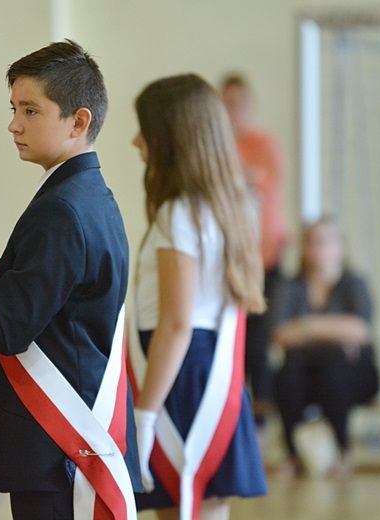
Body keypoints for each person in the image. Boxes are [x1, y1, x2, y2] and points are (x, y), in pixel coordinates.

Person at [0, 40, 143, 519]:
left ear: (78, 121)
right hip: (62, 443)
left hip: (60, 443)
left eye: (31, 110)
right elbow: (53, 321)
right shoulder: (84, 194)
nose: (13, 124)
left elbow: (11, 324)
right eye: (13, 108)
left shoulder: (62, 209)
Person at [131, 74, 267, 519]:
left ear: (170, 138)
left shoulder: (178, 213)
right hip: (206, 369)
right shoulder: (225, 206)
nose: (135, 140)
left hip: (180, 374)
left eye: (145, 129)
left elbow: (176, 322)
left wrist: (145, 414)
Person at [273, 216, 373, 480]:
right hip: (304, 371)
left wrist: (305, 327)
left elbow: (361, 330)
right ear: (304, 249)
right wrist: (336, 330)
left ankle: (343, 451)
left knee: (333, 366)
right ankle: (293, 454)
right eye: (313, 242)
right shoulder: (291, 287)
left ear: (341, 247)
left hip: (351, 373)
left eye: (327, 241)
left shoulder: (354, 284)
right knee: (288, 373)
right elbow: (280, 334)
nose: (319, 248)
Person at [221, 74, 288, 426]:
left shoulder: (263, 143)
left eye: (238, 104)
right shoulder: (217, 145)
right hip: (231, 259)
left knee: (259, 344)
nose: (233, 111)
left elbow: (263, 177)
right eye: (226, 103)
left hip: (266, 258)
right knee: (235, 341)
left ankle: (260, 425)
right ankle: (234, 421)